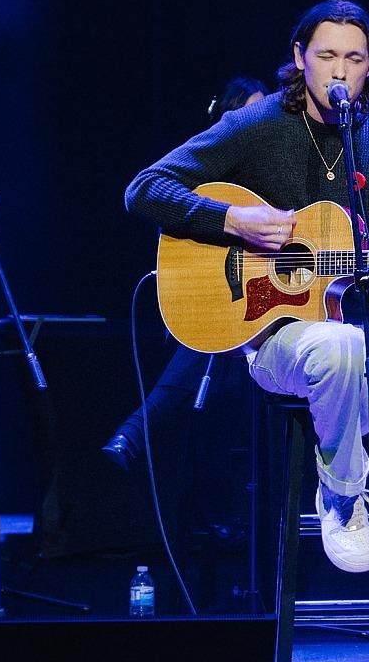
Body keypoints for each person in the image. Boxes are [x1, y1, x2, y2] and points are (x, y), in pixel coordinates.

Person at [124, 0, 369, 656]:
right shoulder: (259, 125)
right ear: (299, 58)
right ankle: (342, 492)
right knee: (339, 347)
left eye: (354, 58)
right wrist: (233, 220)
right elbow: (145, 188)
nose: (340, 71)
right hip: (279, 333)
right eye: (327, 55)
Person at [103, 76, 268, 471]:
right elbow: (154, 198)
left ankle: (137, 430)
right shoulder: (210, 172)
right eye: (251, 113)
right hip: (210, 294)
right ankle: (140, 432)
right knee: (210, 343)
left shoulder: (277, 173)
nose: (260, 123)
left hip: (260, 306)